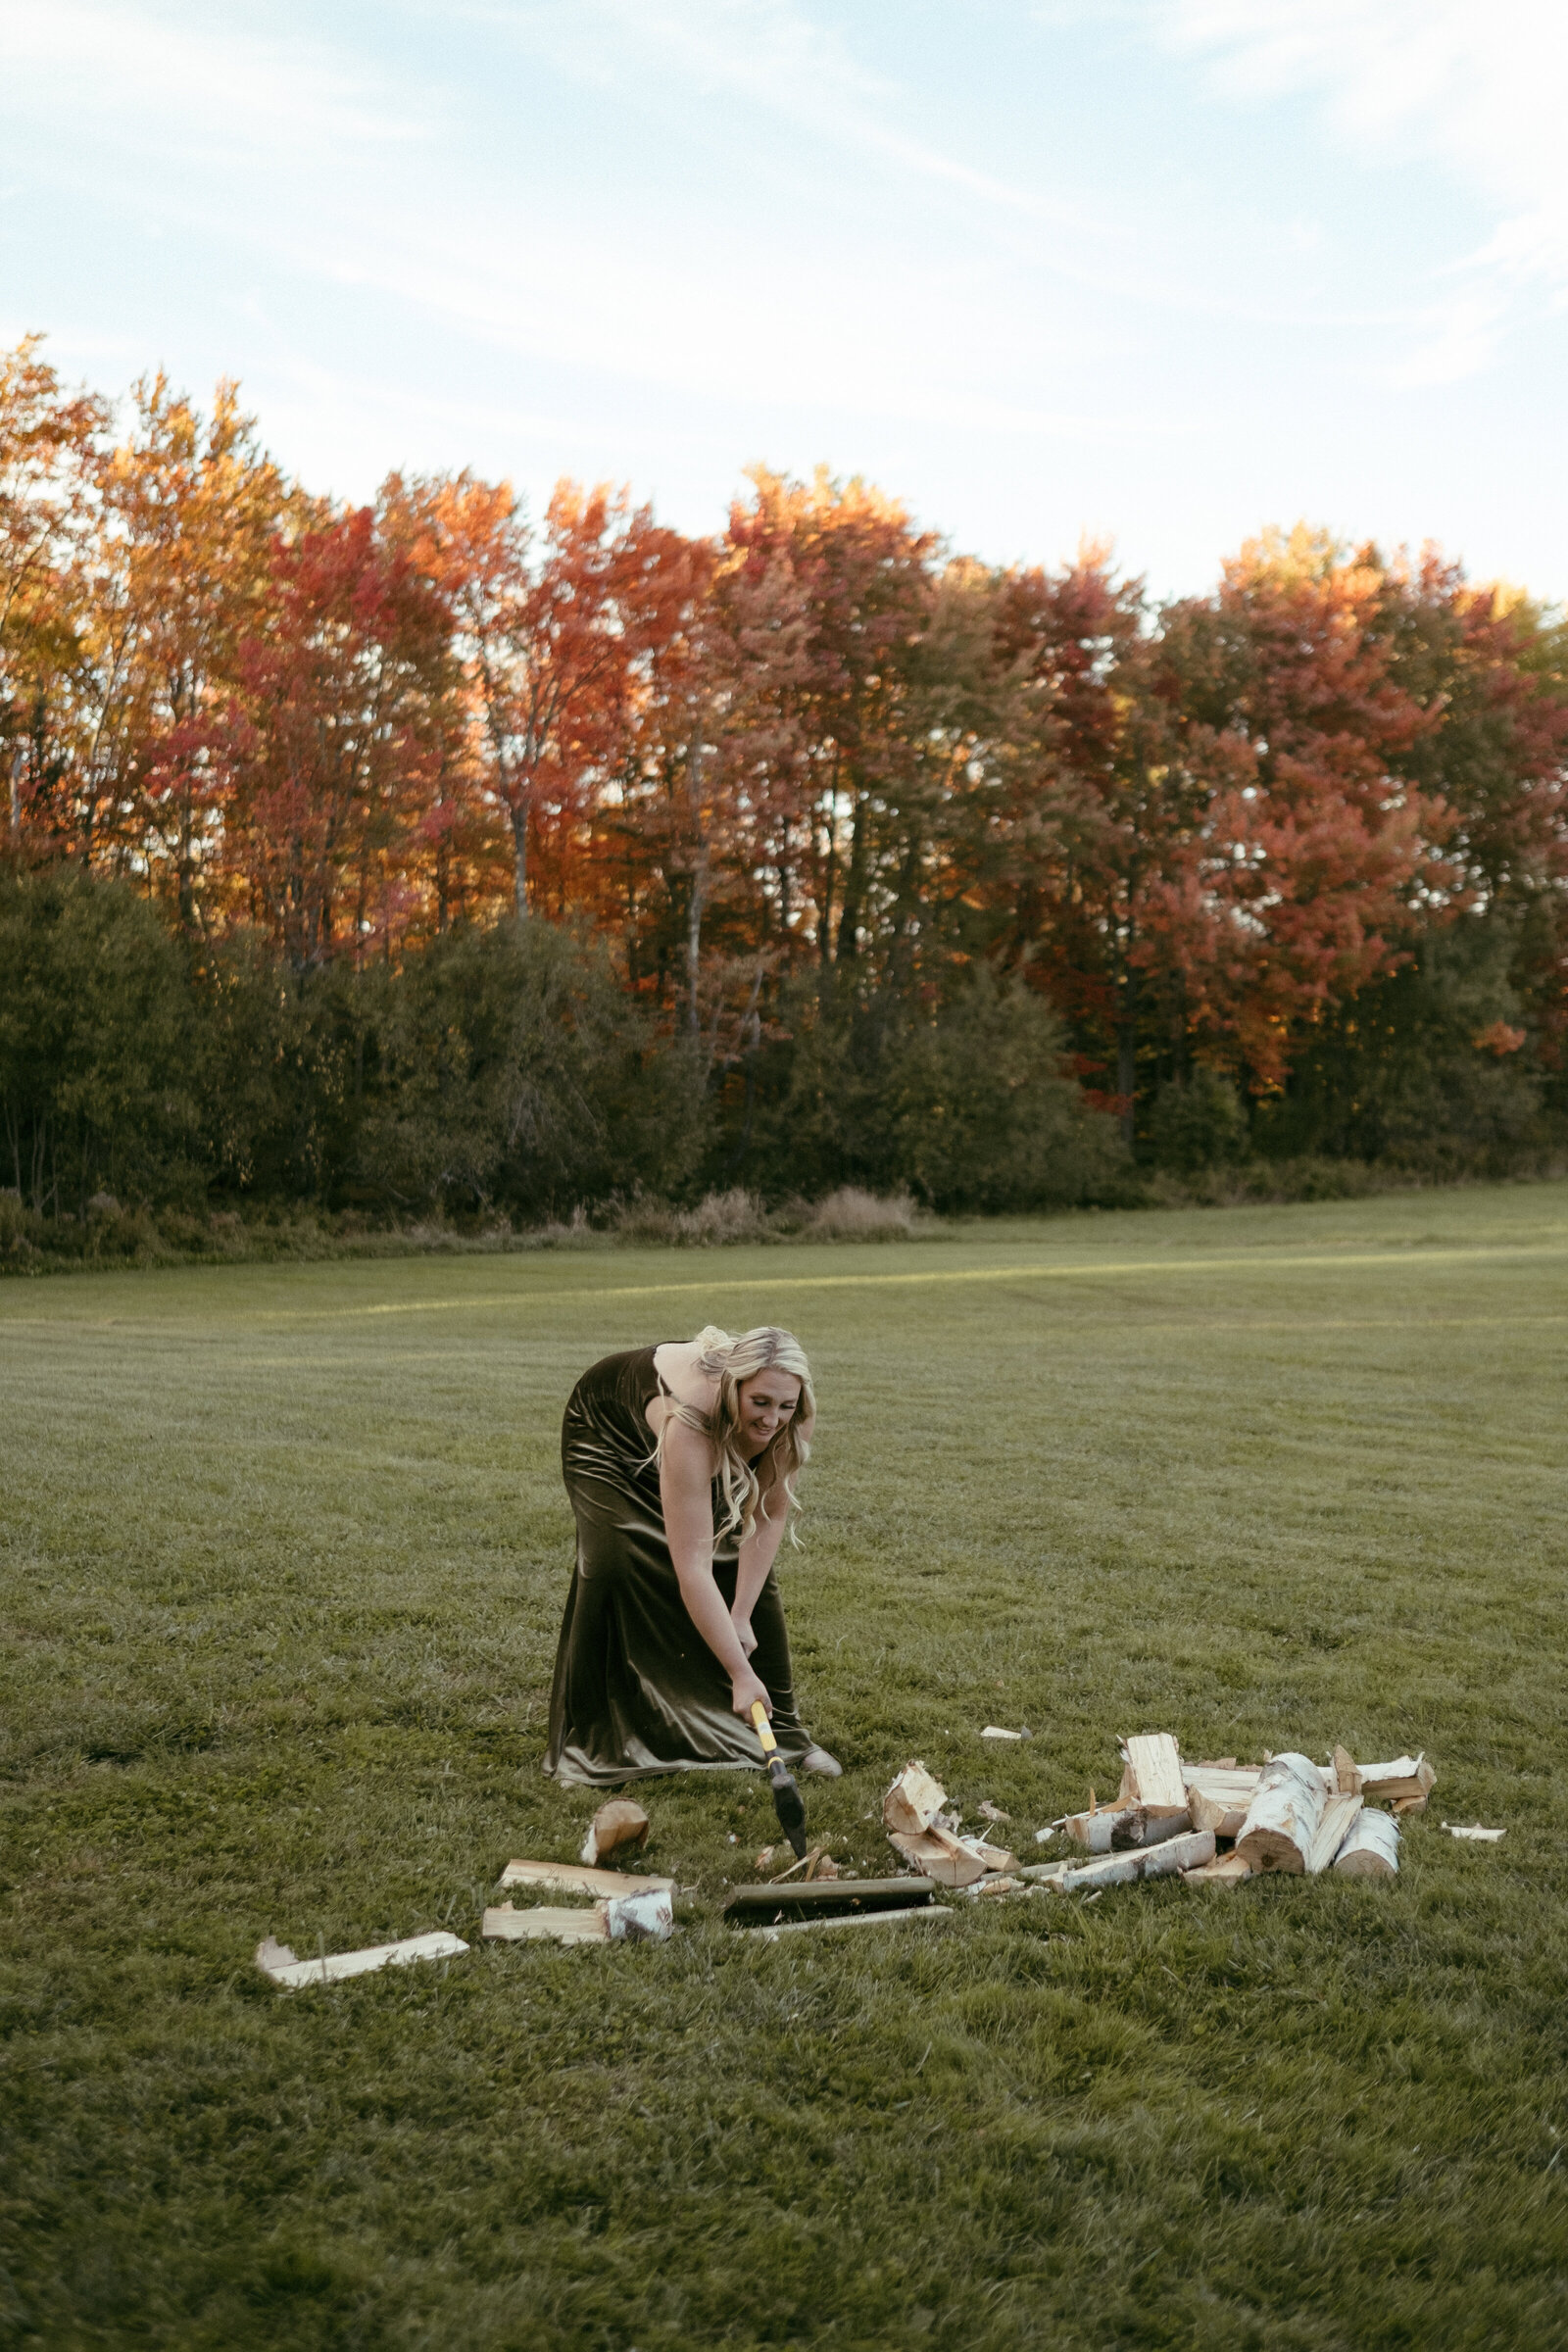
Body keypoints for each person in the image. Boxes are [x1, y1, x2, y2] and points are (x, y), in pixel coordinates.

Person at [544, 1325, 841, 1788]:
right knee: (619, 1566)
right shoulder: (692, 1419)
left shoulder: (793, 1414)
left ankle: (785, 1736)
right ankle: (598, 1745)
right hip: (607, 1434)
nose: (771, 1420)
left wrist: (741, 1614)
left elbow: (766, 1519)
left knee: (733, 1561)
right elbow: (692, 1568)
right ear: (734, 1386)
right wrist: (739, 1673)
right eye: (760, 1402)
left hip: (683, 1433)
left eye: (784, 1405)